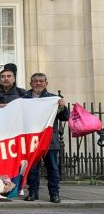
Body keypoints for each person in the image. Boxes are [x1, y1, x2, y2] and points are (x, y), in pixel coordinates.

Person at [23, 73, 70, 203]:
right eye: (35, 81)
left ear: (46, 83)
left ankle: (54, 194)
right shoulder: (24, 98)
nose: (38, 83)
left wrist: (62, 107)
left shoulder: (54, 98)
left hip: (50, 139)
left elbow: (65, 117)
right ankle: (33, 193)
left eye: (41, 81)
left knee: (53, 168)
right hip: (32, 140)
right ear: (31, 83)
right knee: (32, 168)